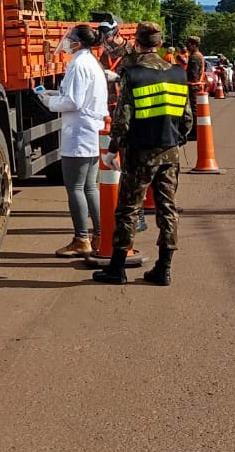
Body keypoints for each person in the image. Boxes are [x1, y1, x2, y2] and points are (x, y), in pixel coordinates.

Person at [94, 22, 194, 285]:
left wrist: (112, 148)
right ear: (159, 44)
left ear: (137, 44)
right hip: (170, 151)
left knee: (128, 209)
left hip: (140, 153)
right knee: (168, 208)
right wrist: (175, 139)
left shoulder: (134, 73)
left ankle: (117, 268)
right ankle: (164, 268)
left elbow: (123, 118)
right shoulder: (178, 73)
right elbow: (187, 119)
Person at [42, 25, 111, 258]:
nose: (68, 42)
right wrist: (57, 96)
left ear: (79, 43)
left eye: (71, 39)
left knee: (75, 188)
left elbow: (73, 102)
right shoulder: (92, 62)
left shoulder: (79, 64)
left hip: (80, 133)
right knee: (90, 187)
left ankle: (81, 238)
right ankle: (100, 234)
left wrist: (49, 102)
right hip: (92, 131)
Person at [184, 36, 205, 137]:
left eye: (189, 44)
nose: (187, 46)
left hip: (193, 86)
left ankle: (195, 131)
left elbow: (193, 75)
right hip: (196, 85)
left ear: (195, 45)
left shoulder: (195, 57)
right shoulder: (198, 55)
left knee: (194, 109)